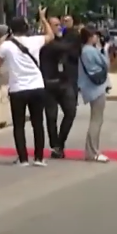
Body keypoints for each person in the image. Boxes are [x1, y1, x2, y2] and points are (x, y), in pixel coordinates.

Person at [0, 8, 57, 166]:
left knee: (19, 125)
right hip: (37, 86)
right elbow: (51, 35)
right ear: (26, 28)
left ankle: (22, 158)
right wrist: (43, 18)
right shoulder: (35, 41)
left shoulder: (6, 46)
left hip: (17, 89)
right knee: (37, 123)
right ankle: (39, 157)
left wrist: (0, 44)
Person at [40, 17, 79, 159]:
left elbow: (74, 52)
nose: (59, 27)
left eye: (60, 25)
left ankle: (59, 143)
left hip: (64, 82)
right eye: (55, 25)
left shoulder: (63, 39)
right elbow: (64, 48)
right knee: (51, 116)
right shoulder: (44, 42)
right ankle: (55, 145)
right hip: (49, 83)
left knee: (71, 111)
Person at [77, 27, 111, 163]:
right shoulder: (90, 50)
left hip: (89, 87)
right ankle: (93, 152)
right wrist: (105, 50)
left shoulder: (83, 50)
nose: (97, 38)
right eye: (95, 36)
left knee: (96, 119)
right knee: (96, 120)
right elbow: (106, 63)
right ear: (90, 37)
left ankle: (91, 151)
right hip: (96, 88)